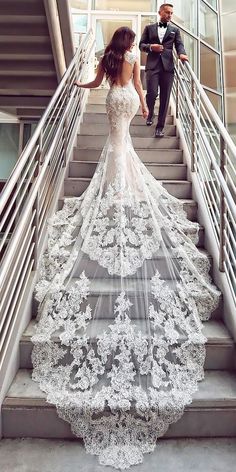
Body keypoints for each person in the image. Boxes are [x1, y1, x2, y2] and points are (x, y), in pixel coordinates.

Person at [32, 27, 219, 469]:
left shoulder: (109, 55)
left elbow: (98, 84)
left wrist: (80, 85)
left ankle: (117, 187)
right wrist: (146, 102)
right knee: (123, 146)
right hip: (128, 104)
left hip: (115, 104)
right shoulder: (134, 57)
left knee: (117, 148)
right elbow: (135, 86)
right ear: (131, 39)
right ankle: (125, 185)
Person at [139, 3, 188, 137]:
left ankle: (160, 128)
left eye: (171, 13)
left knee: (165, 98)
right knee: (152, 93)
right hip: (152, 66)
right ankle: (150, 114)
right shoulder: (149, 28)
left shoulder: (175, 30)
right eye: (167, 12)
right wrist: (151, 47)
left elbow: (179, 44)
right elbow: (141, 45)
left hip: (168, 68)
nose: (169, 15)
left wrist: (181, 54)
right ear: (160, 12)